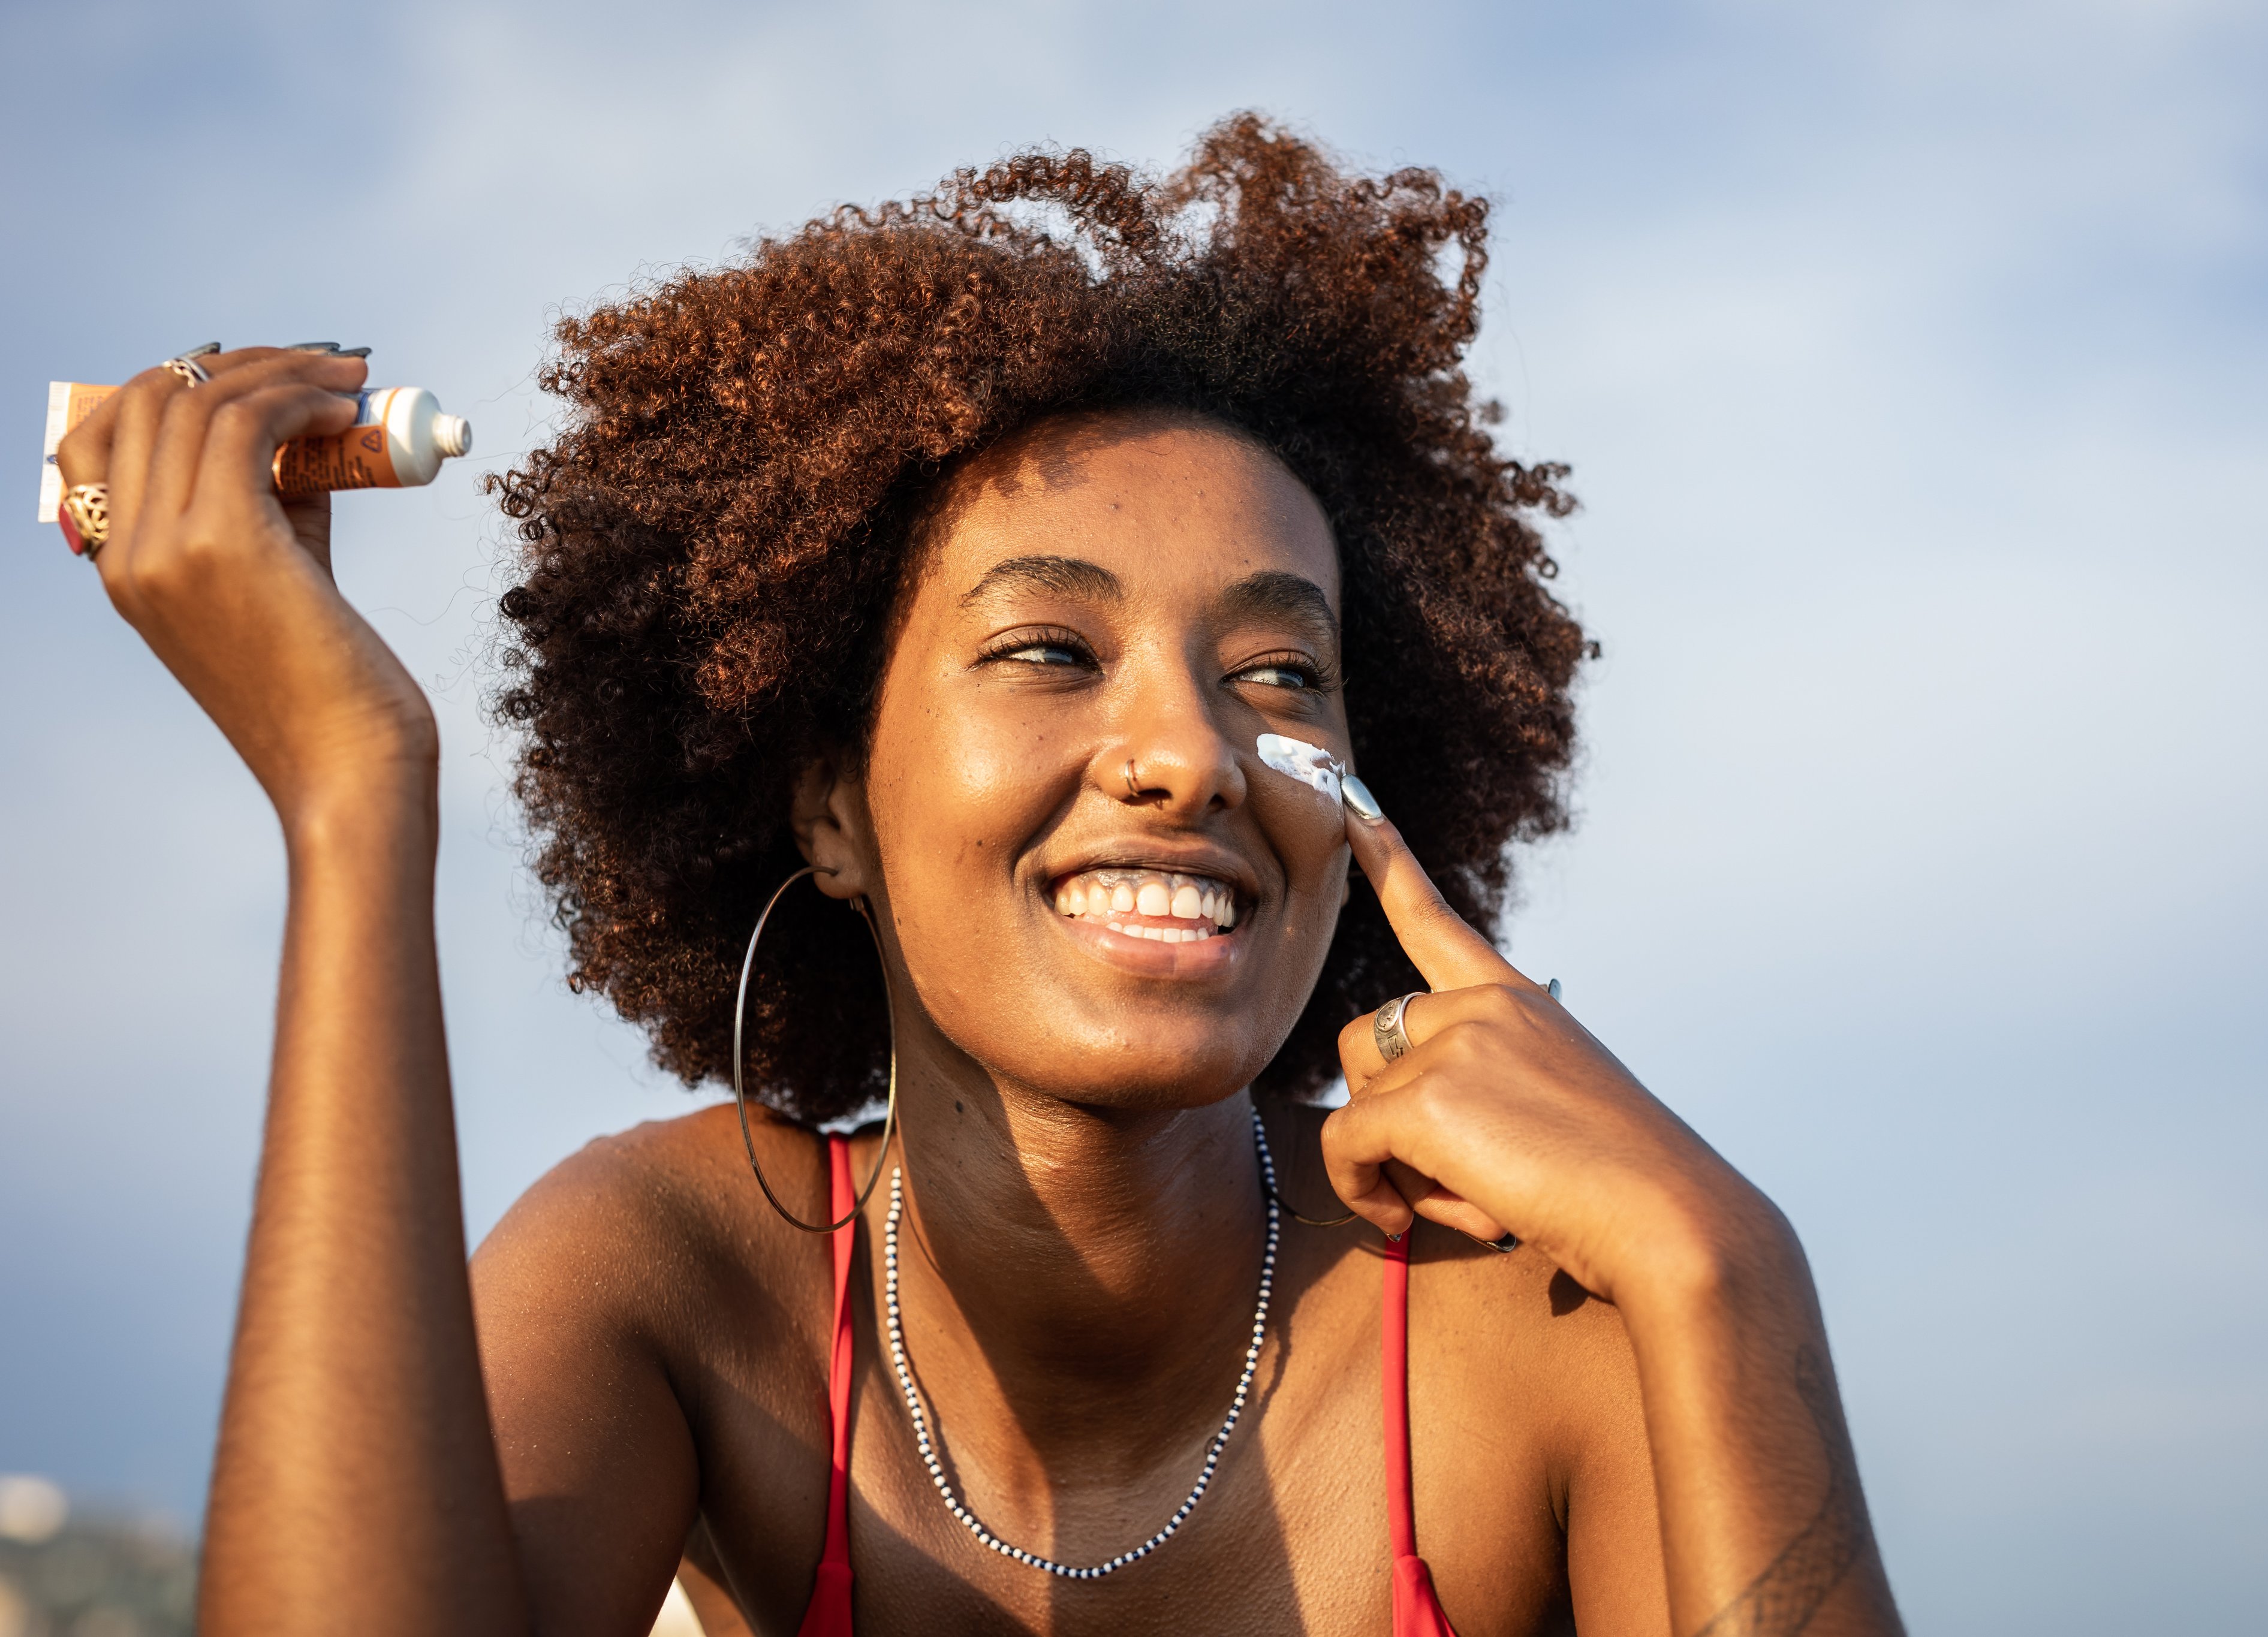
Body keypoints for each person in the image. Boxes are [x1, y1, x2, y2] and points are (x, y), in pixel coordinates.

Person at [53, 117, 1905, 1637]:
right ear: (832, 810)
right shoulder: (687, 1282)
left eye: (1279, 676)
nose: (1187, 752)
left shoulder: (1541, 1317)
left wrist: (1728, 1260)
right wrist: (355, 799)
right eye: (1047, 650)